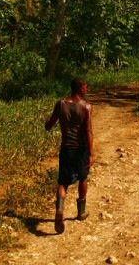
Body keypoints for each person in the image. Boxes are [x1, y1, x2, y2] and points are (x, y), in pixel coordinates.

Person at [45, 77, 94, 234]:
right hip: (81, 149)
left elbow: (50, 124)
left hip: (66, 148)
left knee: (62, 182)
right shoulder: (86, 107)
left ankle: (60, 208)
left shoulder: (61, 104)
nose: (87, 89)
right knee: (83, 178)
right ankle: (81, 212)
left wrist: (48, 124)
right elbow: (88, 131)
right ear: (80, 89)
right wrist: (91, 152)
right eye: (85, 87)